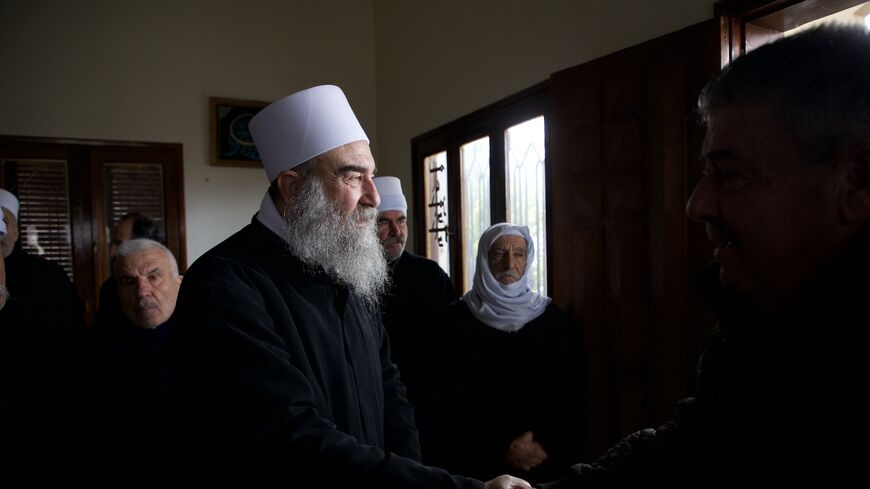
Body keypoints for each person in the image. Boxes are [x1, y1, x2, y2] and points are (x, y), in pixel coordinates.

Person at [539, 25, 870, 487]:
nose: (696, 204)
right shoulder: (758, 310)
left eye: (731, 174)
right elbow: (701, 444)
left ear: (856, 180)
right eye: (706, 172)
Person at [169, 85, 530, 488]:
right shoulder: (224, 284)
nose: (373, 197)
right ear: (292, 187)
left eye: (370, 175)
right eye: (352, 176)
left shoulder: (345, 262)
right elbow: (292, 436)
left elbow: (390, 390)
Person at [428, 223, 584, 484]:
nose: (509, 263)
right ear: (484, 259)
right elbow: (445, 401)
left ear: (528, 259)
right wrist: (501, 447)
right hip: (475, 466)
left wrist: (540, 444)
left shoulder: (552, 320)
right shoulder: (455, 321)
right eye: (499, 253)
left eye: (519, 253)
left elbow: (569, 395)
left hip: (543, 460)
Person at [372, 175, 457, 448]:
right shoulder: (348, 276)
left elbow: (451, 345)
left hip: (427, 404)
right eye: (384, 222)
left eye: (402, 220)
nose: (397, 231)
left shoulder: (431, 276)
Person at [88, 239, 181, 450]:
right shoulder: (95, 353)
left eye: (154, 277)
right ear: (117, 292)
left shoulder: (211, 340)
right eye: (129, 282)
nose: (142, 291)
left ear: (179, 284)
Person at [95, 212, 164, 329]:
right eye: (112, 244)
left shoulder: (180, 285)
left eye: (118, 243)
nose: (112, 252)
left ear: (143, 244)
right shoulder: (109, 288)